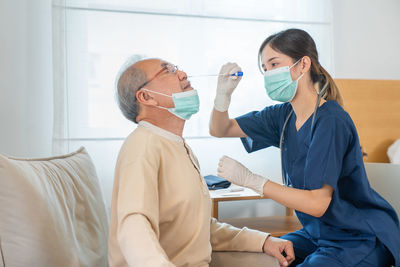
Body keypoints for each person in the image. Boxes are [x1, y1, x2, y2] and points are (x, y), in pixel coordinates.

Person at [210, 28, 400, 266]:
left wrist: (252, 180)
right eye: (264, 69)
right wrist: (222, 96)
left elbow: (317, 204)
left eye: (274, 64)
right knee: (264, 257)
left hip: (356, 236)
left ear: (303, 65)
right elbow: (220, 129)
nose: (268, 74)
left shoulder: (330, 120)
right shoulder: (283, 116)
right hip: (316, 232)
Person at [108, 56, 295, 267]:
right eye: (167, 70)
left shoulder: (177, 146)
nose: (182, 74)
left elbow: (200, 229)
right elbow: (133, 228)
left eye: (176, 67)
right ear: (146, 97)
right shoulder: (142, 147)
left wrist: (263, 241)